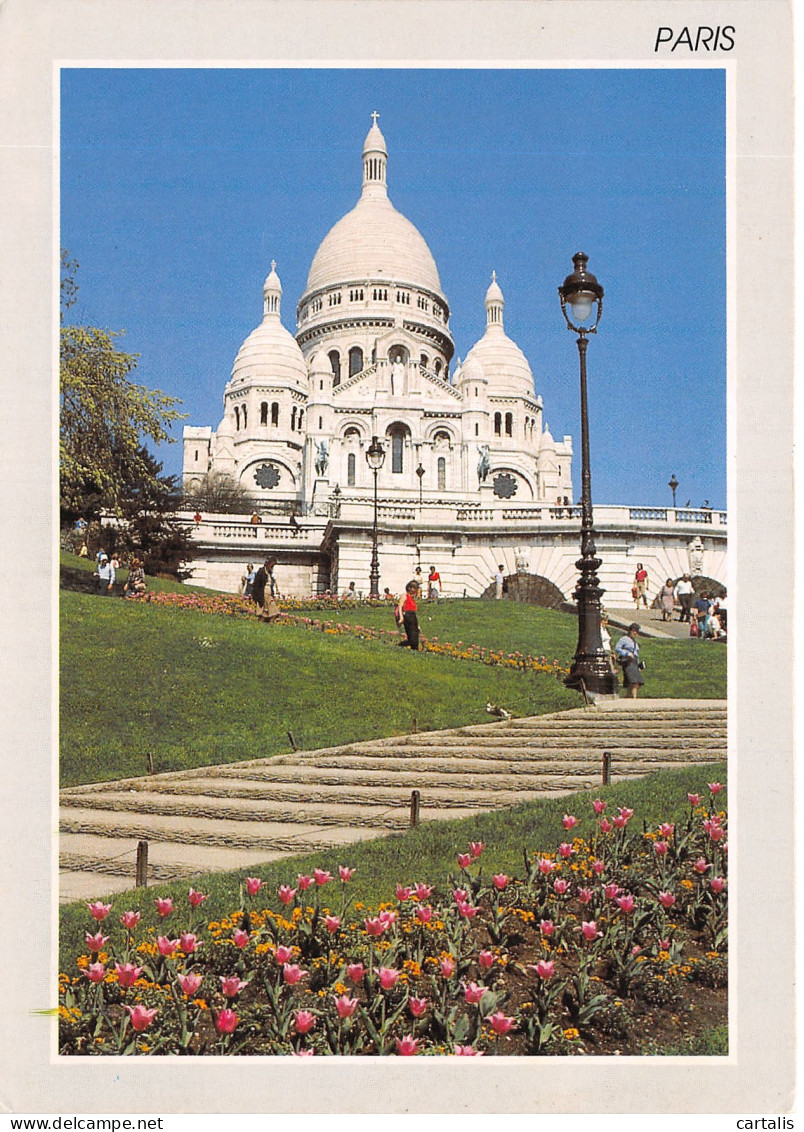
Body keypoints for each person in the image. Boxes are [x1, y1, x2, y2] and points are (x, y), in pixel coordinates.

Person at [615, 623, 645, 698]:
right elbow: (617, 648)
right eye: (634, 631)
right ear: (630, 631)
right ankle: (634, 697)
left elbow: (636, 654)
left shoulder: (635, 642)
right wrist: (626, 653)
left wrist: (639, 665)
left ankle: (628, 695)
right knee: (634, 681)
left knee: (636, 681)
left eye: (637, 631)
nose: (635, 633)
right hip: (628, 661)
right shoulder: (624, 639)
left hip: (634, 662)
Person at [253, 557, 280, 621]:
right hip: (263, 593)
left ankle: (270, 624)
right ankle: (267, 623)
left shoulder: (270, 573)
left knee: (273, 611)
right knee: (266, 612)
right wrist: (256, 595)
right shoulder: (261, 571)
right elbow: (256, 584)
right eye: (272, 565)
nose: (272, 567)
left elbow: (272, 584)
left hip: (269, 592)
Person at [396, 581, 420, 650]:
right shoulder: (405, 596)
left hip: (413, 616)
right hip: (407, 616)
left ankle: (415, 649)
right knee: (412, 637)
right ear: (409, 588)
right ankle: (400, 645)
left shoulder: (412, 598)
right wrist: (401, 618)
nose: (415, 590)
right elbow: (400, 607)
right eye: (414, 588)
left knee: (415, 635)